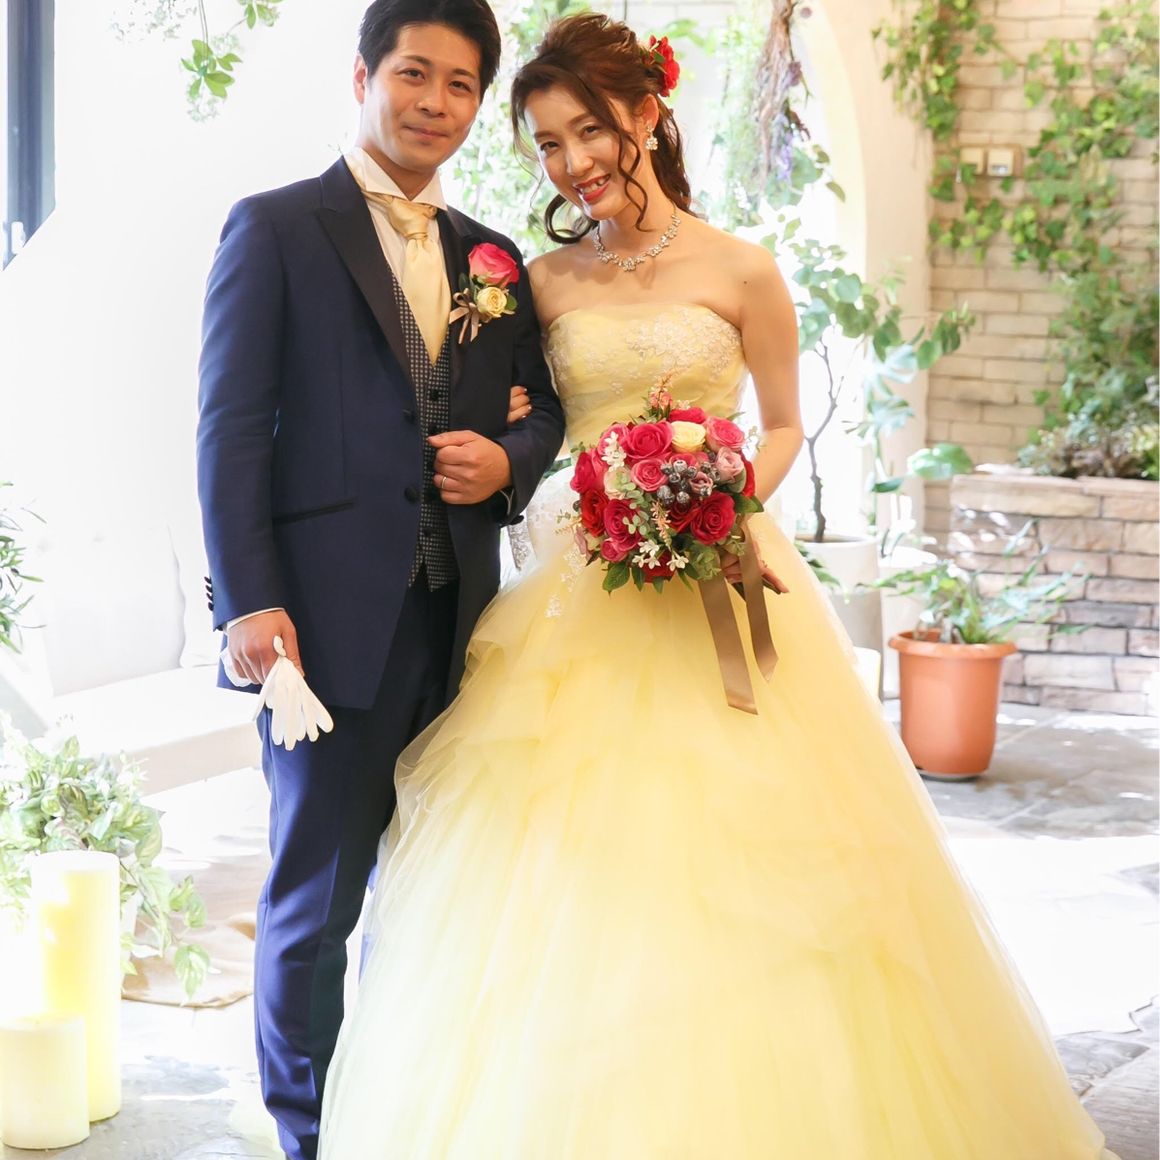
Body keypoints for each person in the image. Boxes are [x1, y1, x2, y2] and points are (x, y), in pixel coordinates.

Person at [317, 13, 1117, 1158]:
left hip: (720, 576)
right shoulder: (537, 282)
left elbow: (782, 424)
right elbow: (528, 422)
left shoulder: (742, 269)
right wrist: (530, 443)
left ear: (646, 114)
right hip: (578, 589)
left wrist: (717, 491)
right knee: (566, 870)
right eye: (547, 145)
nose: (572, 163)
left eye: (588, 131)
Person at [195, 1, 565, 1155]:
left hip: (461, 628)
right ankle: (309, 1135)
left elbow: (544, 406)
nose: (434, 103)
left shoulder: (491, 256)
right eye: (414, 73)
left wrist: (507, 460)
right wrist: (250, 602)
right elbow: (228, 429)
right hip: (321, 627)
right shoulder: (275, 227)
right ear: (362, 77)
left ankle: (399, 1116)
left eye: (460, 85)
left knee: (432, 895)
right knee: (314, 906)